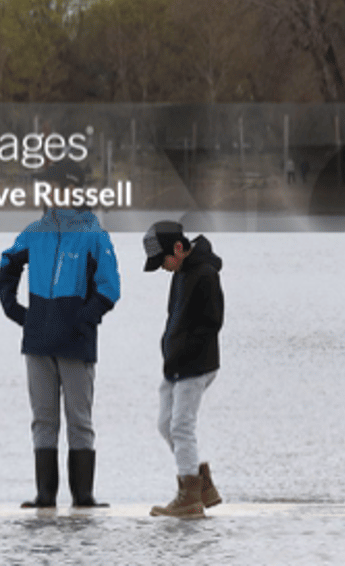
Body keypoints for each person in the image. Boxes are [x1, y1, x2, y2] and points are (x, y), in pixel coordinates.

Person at [0, 191, 121, 508]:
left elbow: (110, 288)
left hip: (77, 345)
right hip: (37, 343)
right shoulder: (34, 232)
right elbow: (7, 263)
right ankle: (45, 497)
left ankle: (83, 498)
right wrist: (15, 310)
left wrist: (82, 320)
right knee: (43, 421)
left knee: (79, 421)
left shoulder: (94, 235)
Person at [143, 219, 224, 519]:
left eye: (162, 260)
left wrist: (185, 352)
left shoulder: (205, 274)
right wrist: (169, 349)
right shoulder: (180, 273)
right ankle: (202, 484)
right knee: (166, 424)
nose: (162, 267)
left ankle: (189, 496)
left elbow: (212, 322)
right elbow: (173, 316)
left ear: (178, 248)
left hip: (196, 364)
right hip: (175, 365)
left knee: (181, 426)